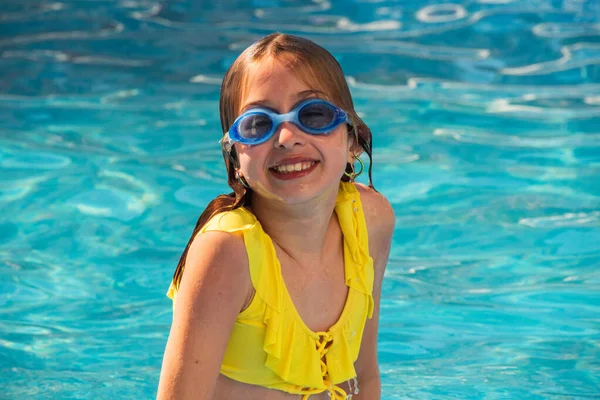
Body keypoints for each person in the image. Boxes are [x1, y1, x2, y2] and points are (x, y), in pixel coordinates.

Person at [157, 33, 394, 400]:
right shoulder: (228, 253)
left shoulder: (370, 219)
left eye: (313, 115)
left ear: (352, 142)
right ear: (235, 161)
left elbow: (364, 377)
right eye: (257, 124)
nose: (286, 137)